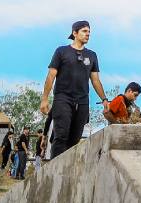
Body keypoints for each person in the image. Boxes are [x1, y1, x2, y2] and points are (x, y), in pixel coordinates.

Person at [41, 20, 108, 158]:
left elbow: (95, 80)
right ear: (74, 33)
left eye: (89, 32)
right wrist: (45, 99)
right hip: (63, 98)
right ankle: (56, 173)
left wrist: (104, 99)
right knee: (61, 136)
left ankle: (68, 173)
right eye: (84, 31)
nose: (88, 34)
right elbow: (51, 75)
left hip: (82, 101)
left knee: (75, 139)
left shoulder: (92, 55)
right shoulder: (61, 51)